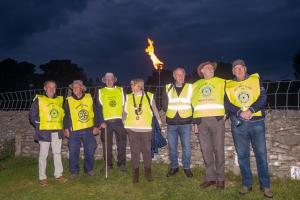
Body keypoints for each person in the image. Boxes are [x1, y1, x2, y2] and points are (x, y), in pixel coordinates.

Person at [225, 59, 273, 198]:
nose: (238, 70)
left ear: (245, 69)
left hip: (256, 122)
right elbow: (227, 104)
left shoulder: (255, 80)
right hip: (238, 124)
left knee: (261, 155)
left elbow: (263, 97)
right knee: (242, 156)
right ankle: (247, 184)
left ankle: (265, 186)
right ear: (233, 71)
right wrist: (240, 112)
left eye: (241, 67)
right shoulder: (228, 85)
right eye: (236, 68)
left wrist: (251, 110)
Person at [192, 61, 226, 189]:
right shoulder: (196, 85)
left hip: (217, 120)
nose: (211, 69)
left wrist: (226, 113)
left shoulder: (221, 82)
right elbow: (193, 104)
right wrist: (195, 122)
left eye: (212, 68)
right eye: (208, 68)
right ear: (202, 71)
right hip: (201, 122)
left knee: (218, 149)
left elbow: (229, 98)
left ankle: (221, 179)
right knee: (206, 150)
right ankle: (210, 178)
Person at [123, 78, 161, 184]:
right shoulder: (129, 97)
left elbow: (155, 110)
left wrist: (159, 122)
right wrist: (123, 123)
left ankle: (148, 172)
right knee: (134, 151)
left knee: (146, 151)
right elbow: (125, 112)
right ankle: (136, 174)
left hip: (146, 129)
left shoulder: (149, 95)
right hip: (131, 128)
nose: (131, 86)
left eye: (133, 85)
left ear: (139, 85)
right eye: (131, 85)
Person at [29, 80, 67, 186]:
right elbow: (32, 115)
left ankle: (58, 174)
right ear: (45, 88)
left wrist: (64, 127)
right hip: (44, 132)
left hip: (57, 132)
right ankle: (42, 177)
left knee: (57, 153)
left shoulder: (60, 100)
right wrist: (41, 124)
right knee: (43, 155)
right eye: (49, 87)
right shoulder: (39, 100)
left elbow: (63, 115)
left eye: (54, 87)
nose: (51, 89)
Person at [64, 80, 99, 179]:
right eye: (73, 87)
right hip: (74, 130)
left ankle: (89, 169)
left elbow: (95, 113)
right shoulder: (68, 100)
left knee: (90, 150)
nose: (74, 89)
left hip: (88, 129)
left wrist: (96, 126)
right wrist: (66, 128)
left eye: (77, 87)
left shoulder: (89, 98)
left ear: (82, 88)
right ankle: (74, 171)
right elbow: (65, 116)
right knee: (73, 151)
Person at [162, 67, 193, 178]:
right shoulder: (168, 87)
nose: (180, 77)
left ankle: (186, 167)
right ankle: (174, 167)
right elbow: (164, 104)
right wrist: (170, 111)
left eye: (182, 74)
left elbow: (194, 104)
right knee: (172, 147)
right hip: (171, 123)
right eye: (177, 75)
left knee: (187, 147)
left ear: (185, 75)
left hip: (186, 122)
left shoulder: (190, 87)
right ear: (174, 76)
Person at [95, 72, 127, 173]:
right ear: (105, 81)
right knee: (106, 144)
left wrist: (124, 119)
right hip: (106, 123)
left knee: (122, 143)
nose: (109, 81)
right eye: (107, 79)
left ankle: (121, 163)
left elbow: (125, 106)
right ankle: (108, 164)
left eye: (111, 79)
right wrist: (101, 121)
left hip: (119, 121)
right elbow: (98, 109)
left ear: (114, 80)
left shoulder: (120, 90)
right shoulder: (101, 91)